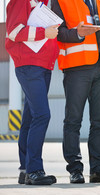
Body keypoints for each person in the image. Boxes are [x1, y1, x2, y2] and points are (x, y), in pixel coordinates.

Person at [51, 0, 100, 183]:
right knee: (73, 121)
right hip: (77, 68)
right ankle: (75, 169)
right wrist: (77, 33)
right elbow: (57, 32)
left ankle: (98, 170)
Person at [5, 0, 59, 185]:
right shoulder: (21, 1)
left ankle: (26, 169)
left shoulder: (44, 3)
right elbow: (13, 32)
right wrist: (45, 32)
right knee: (42, 115)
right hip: (30, 66)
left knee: (30, 117)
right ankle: (34, 170)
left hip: (43, 66)